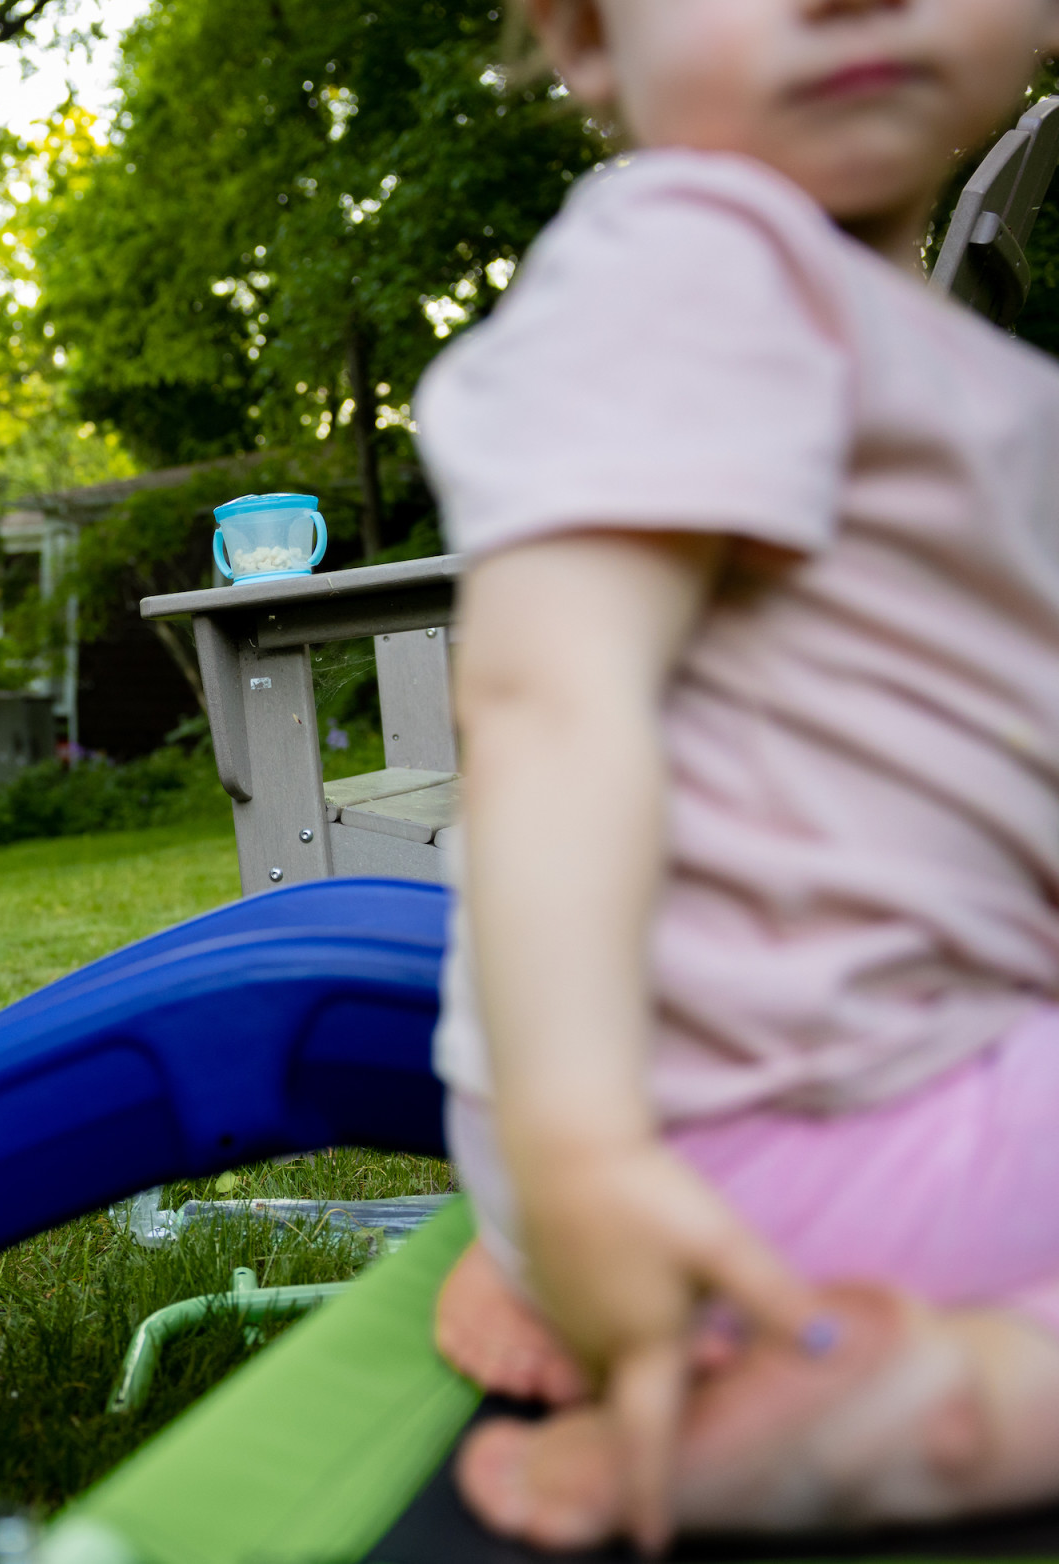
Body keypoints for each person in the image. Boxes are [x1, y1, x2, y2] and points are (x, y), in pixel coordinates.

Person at [416, 0, 1059, 1550]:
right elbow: (550, 698)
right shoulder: (698, 253)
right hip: (761, 1146)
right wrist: (582, 1157)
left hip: (777, 1130)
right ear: (586, 39)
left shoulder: (851, 329)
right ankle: (936, 1405)